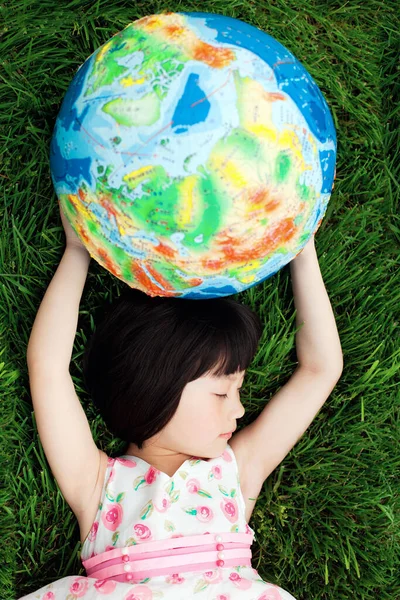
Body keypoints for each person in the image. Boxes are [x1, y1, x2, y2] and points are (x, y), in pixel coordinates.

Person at [19, 203, 343, 600]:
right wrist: (76, 252)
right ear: (154, 386)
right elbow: (49, 368)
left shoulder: (237, 473)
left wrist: (302, 250)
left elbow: (321, 370)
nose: (239, 409)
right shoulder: (97, 485)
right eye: (222, 391)